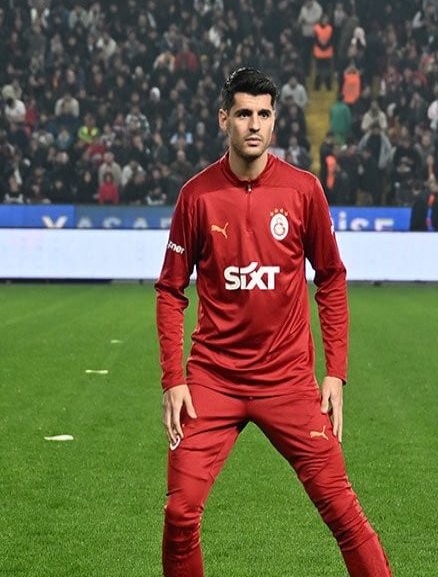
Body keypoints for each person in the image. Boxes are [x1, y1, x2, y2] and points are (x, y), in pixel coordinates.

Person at [155, 67, 392, 576]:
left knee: (343, 510)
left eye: (264, 114)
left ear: (275, 121)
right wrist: (174, 379)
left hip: (287, 380)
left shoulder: (303, 191)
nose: (254, 125)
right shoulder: (196, 196)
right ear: (224, 119)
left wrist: (335, 372)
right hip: (213, 379)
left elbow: (331, 278)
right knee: (180, 513)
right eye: (244, 114)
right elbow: (170, 291)